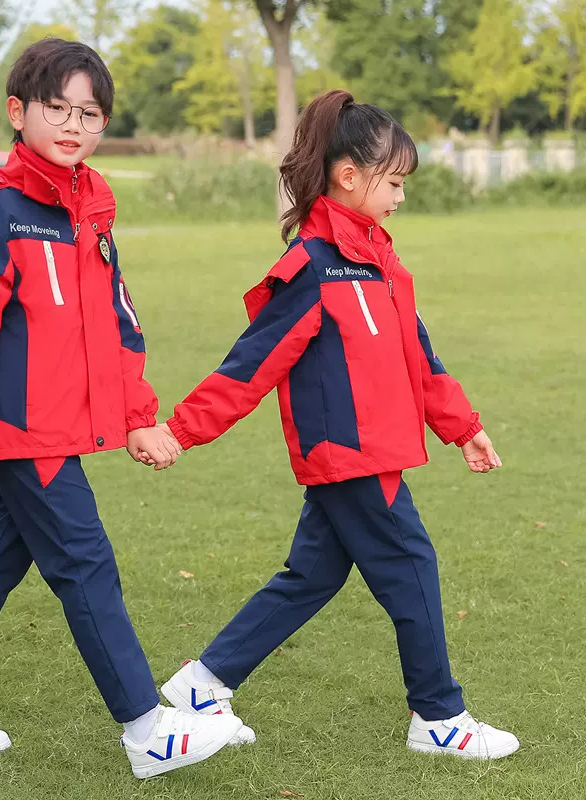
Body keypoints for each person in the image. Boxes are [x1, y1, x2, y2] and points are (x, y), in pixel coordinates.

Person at [0, 38, 241, 779]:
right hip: (22, 430)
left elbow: (118, 321)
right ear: (18, 113)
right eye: (58, 108)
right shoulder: (1, 212)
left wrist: (139, 414)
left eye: (91, 113)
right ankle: (148, 729)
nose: (74, 124)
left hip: (62, 427)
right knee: (86, 562)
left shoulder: (89, 210)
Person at [158, 90, 520, 760]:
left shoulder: (382, 261)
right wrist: (180, 431)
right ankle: (438, 718)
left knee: (312, 576)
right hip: (350, 456)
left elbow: (421, 357)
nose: (402, 197)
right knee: (413, 565)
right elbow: (251, 364)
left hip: (374, 452)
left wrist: (464, 426)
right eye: (396, 182)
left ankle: (202, 684)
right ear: (349, 176)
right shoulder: (313, 268)